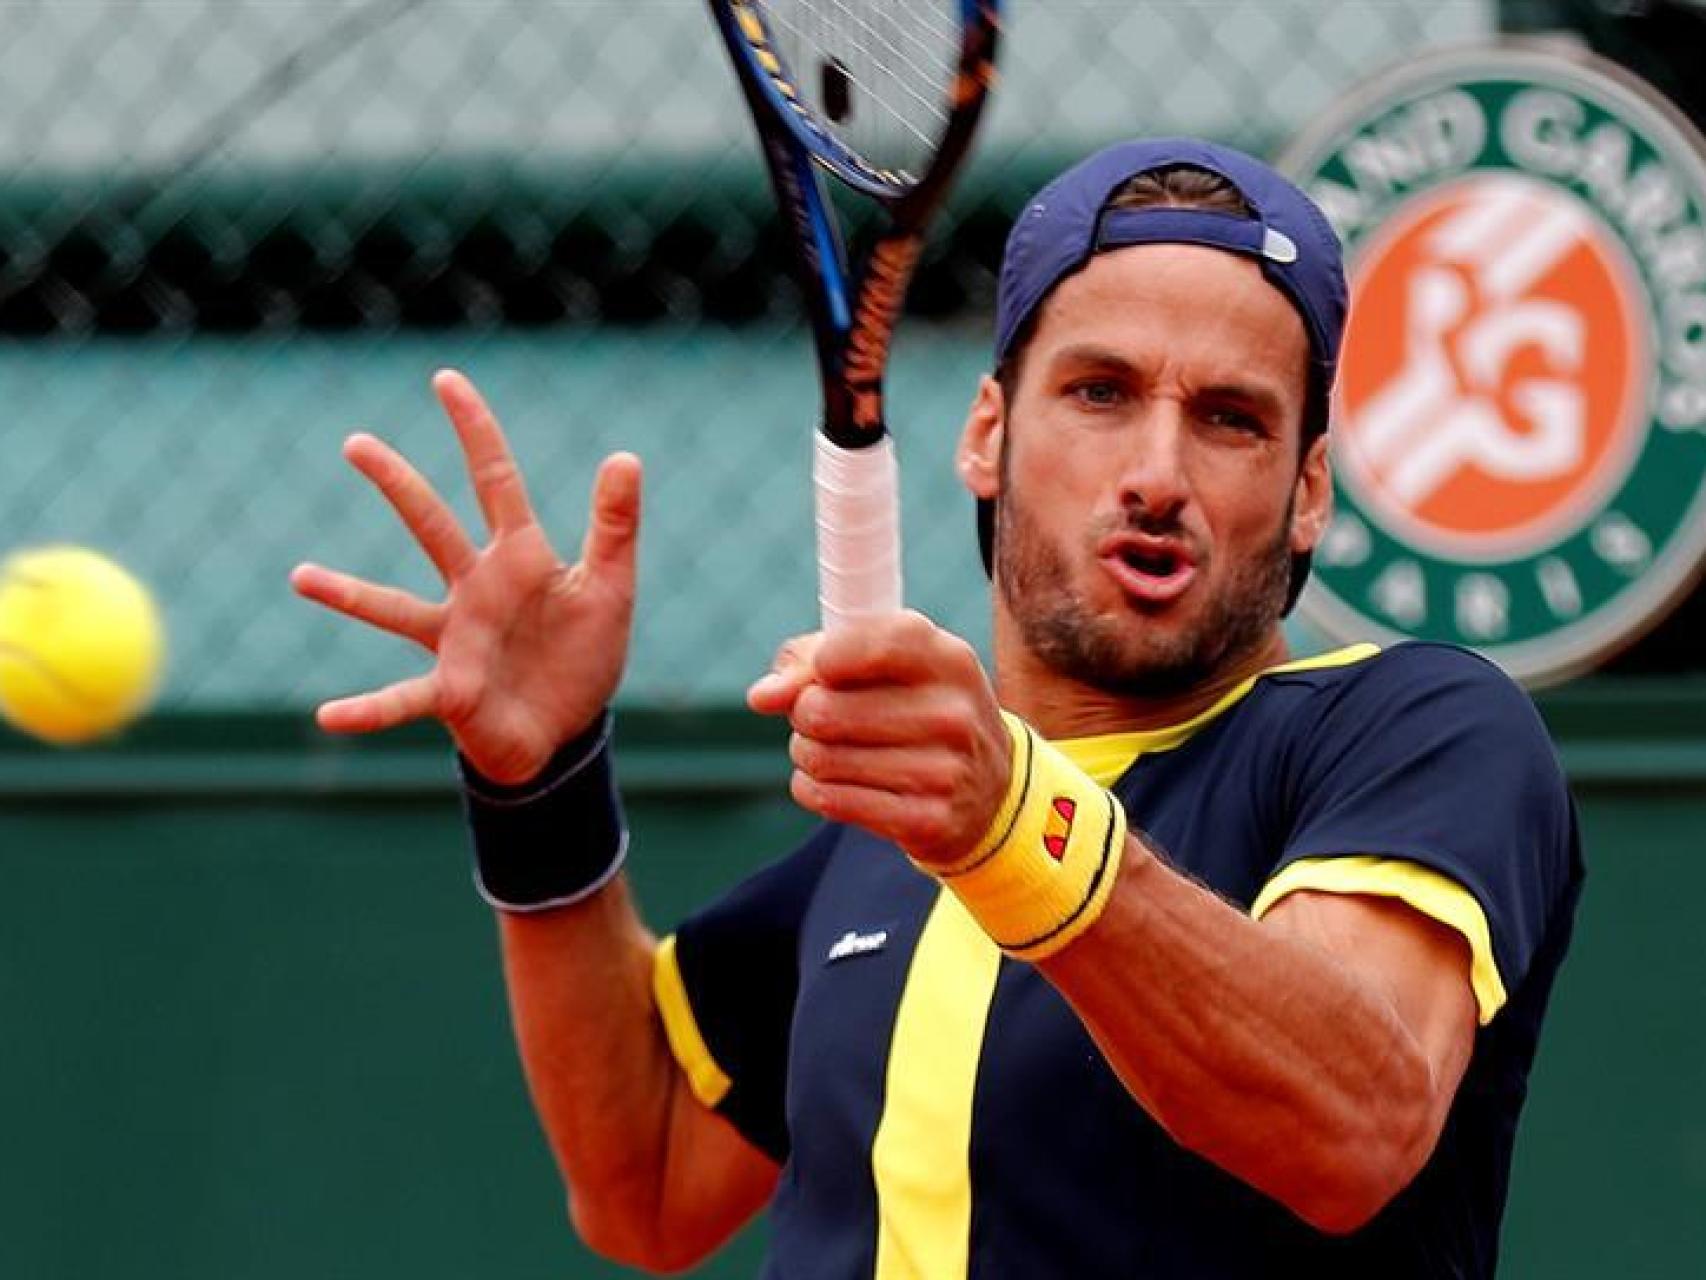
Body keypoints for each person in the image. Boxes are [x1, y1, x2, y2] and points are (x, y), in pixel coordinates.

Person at [292, 138, 1583, 1278]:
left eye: (1230, 421)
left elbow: (1353, 1121)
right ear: (986, 433)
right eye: (1099, 392)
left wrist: (1007, 823)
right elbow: (643, 1185)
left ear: (1306, 494)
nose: (1154, 473)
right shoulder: (885, 850)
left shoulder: (1413, 732)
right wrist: (545, 787)